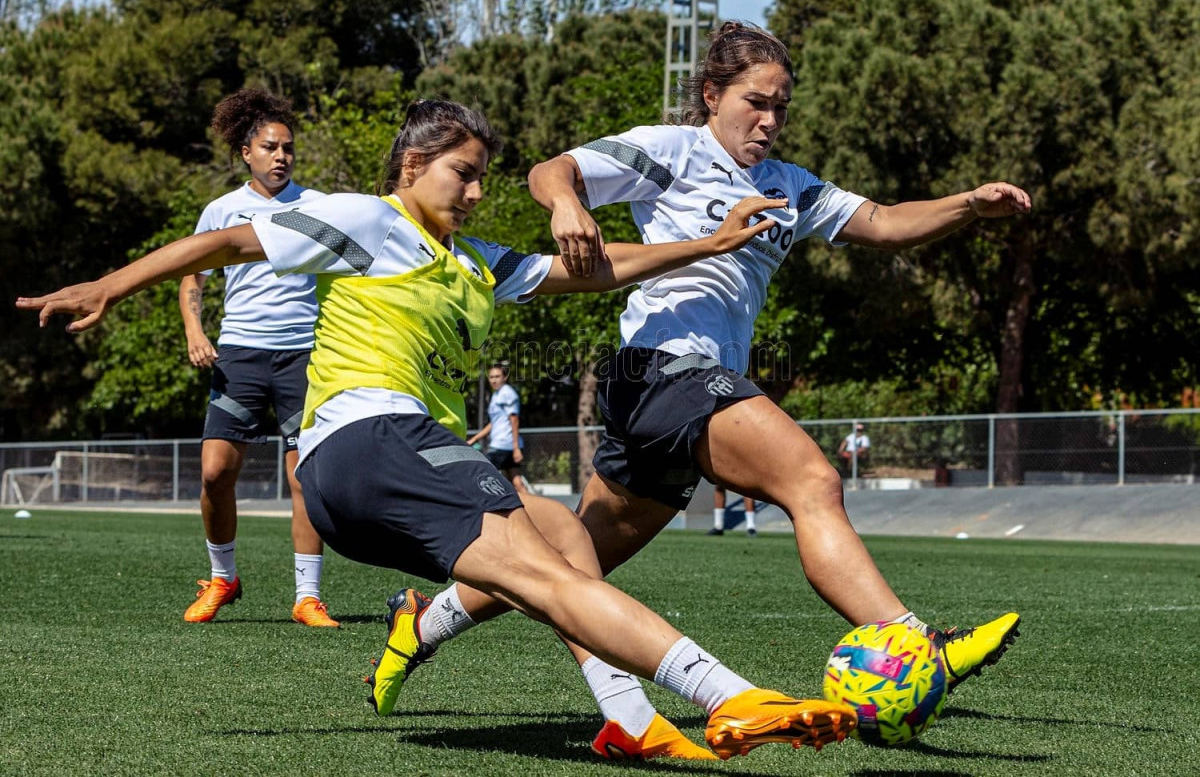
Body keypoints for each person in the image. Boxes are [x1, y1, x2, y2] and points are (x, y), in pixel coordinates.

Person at [18, 98, 859, 761]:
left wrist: (707, 243)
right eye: (464, 173)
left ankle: (628, 718)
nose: (477, 191)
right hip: (369, 443)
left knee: (565, 538)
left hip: (397, 461)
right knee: (546, 573)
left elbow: (593, 272)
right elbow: (227, 243)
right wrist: (109, 285)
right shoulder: (368, 221)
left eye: (483, 176)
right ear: (414, 165)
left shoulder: (474, 261)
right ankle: (731, 695)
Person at [395, 22, 1025, 761]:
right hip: (661, 370)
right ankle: (916, 643)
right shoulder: (672, 150)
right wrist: (566, 205)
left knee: (568, 561)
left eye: (781, 107)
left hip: (679, 392)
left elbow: (883, 223)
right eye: (756, 102)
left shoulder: (790, 185)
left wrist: (967, 204)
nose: (770, 120)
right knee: (812, 479)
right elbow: (551, 170)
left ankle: (423, 623)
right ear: (711, 95)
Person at [178, 88, 337, 627]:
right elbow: (192, 276)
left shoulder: (319, 207)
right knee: (214, 473)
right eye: (270, 147)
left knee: (304, 478)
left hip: (304, 357)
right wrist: (194, 330)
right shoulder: (221, 210)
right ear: (247, 152)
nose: (281, 156)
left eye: (288, 148)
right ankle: (222, 578)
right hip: (240, 355)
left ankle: (307, 596)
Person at [467, 363, 531, 497]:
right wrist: (474, 439)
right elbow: (494, 423)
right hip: (504, 446)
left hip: (503, 446)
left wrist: (516, 448)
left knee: (482, 474)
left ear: (505, 377)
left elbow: (514, 419)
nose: (494, 380)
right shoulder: (497, 394)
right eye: (491, 377)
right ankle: (534, 508)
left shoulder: (507, 393)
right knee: (516, 481)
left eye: (497, 376)